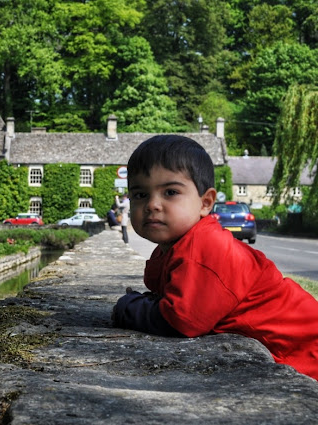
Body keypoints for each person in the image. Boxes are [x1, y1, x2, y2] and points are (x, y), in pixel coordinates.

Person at [111, 135, 318, 380]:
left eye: (170, 192)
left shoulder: (204, 245)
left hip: (306, 352)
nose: (153, 204)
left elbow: (182, 320)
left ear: (205, 202)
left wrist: (128, 307)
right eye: (140, 195)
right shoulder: (174, 246)